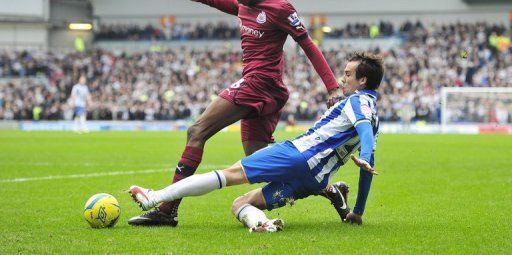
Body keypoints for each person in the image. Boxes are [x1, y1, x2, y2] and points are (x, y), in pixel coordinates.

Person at [128, 0, 343, 226]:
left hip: (259, 84)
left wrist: (333, 87)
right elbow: (230, 5)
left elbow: (308, 45)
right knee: (259, 161)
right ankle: (327, 188)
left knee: (197, 131)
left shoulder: (281, 8)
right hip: (266, 90)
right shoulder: (245, 3)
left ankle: (167, 209)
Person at [129, 52, 383, 231]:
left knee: (229, 174)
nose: (342, 79)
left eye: (348, 74)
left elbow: (365, 136)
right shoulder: (376, 117)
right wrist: (357, 212)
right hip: (313, 180)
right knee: (240, 204)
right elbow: (367, 165)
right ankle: (263, 224)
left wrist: (367, 148)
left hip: (297, 155)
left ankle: (155, 198)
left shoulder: (357, 101)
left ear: (363, 81)